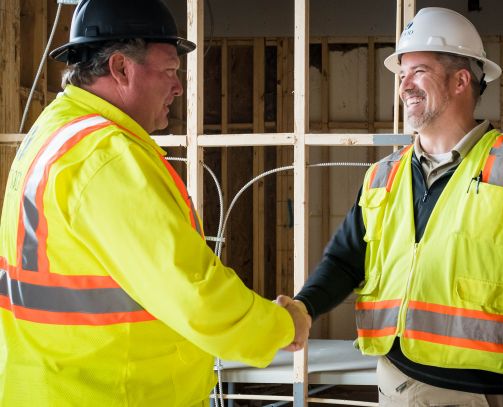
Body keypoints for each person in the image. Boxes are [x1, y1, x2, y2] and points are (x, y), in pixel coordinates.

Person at [0, 0, 310, 405]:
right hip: (110, 392)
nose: (179, 87)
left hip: (53, 383)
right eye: (169, 71)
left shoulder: (54, 130)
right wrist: (282, 326)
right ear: (120, 68)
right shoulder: (103, 155)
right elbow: (192, 295)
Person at [280, 7, 503, 407]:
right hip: (392, 379)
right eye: (401, 74)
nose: (404, 86)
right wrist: (304, 307)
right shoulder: (384, 174)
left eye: (418, 71)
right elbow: (347, 260)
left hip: (471, 394)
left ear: (460, 80)